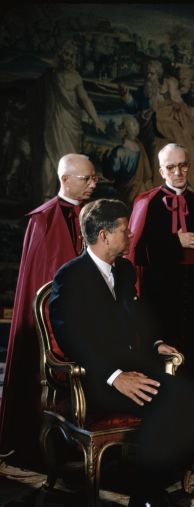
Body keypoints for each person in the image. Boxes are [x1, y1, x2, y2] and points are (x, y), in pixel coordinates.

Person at [49, 199, 194, 507]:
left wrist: (154, 344)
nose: (131, 232)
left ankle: (153, 494)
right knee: (167, 406)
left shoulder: (121, 270)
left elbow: (135, 316)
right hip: (95, 380)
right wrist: (114, 377)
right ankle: (147, 500)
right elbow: (69, 338)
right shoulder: (71, 276)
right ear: (105, 235)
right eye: (125, 228)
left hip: (132, 370)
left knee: (193, 399)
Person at [127, 143, 194, 427]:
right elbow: (136, 254)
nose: (178, 172)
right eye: (171, 167)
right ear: (161, 170)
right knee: (163, 365)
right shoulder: (146, 202)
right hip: (160, 300)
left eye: (183, 165)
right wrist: (176, 242)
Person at [0, 154, 99, 465]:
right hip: (52, 326)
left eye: (95, 178)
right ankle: (40, 442)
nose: (93, 184)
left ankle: (94, 439)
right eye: (87, 179)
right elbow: (40, 284)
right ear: (65, 180)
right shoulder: (42, 220)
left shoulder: (95, 215)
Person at [31, 39, 105, 203]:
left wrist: (96, 120)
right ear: (60, 54)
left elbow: (85, 99)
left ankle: (71, 200)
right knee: (50, 160)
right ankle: (46, 200)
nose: (68, 57)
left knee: (72, 163)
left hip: (71, 124)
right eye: (65, 53)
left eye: (71, 55)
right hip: (54, 122)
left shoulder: (75, 77)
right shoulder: (50, 75)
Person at [101, 116, 152, 207]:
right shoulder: (139, 147)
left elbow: (110, 175)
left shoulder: (120, 151)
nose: (118, 129)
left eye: (121, 126)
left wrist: (105, 159)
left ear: (125, 130)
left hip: (125, 193)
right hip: (137, 191)